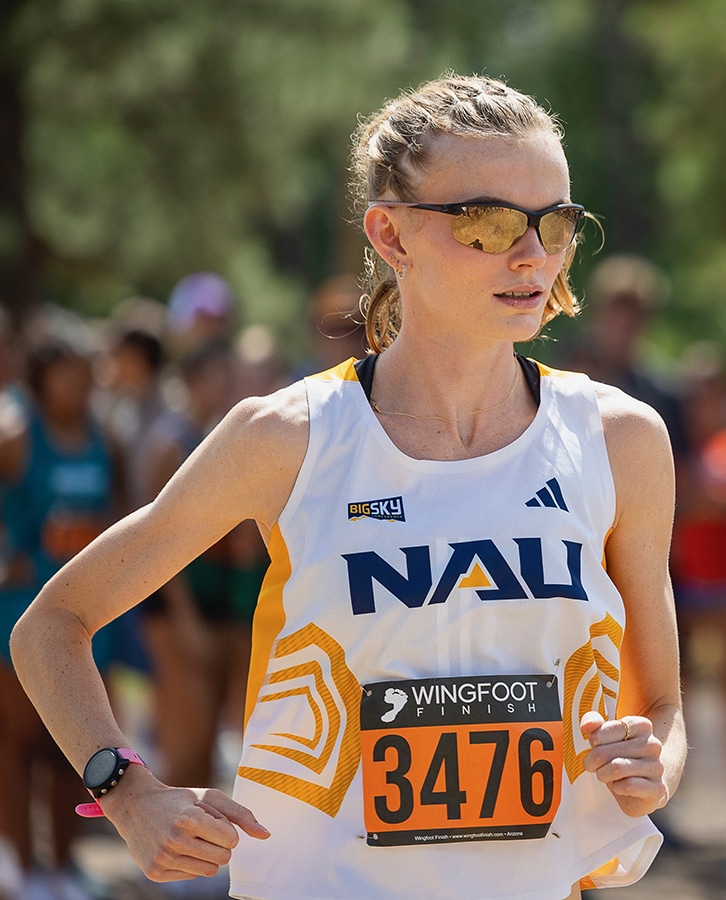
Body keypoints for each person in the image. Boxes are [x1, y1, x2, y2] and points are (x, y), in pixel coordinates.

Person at [9, 74, 685, 900]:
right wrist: (126, 791)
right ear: (390, 235)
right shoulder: (289, 436)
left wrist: (652, 767)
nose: (532, 255)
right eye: (489, 222)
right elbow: (51, 626)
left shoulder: (620, 440)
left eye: (556, 223)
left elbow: (663, 711)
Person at [0, 329, 121, 900]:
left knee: (75, 748)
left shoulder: (105, 440)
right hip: (19, 615)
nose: (76, 382)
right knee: (18, 748)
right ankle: (24, 868)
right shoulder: (17, 437)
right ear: (40, 379)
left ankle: (64, 867)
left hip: (86, 621)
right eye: (64, 371)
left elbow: (124, 519)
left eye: (84, 370)